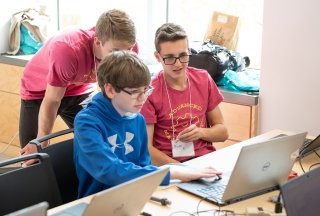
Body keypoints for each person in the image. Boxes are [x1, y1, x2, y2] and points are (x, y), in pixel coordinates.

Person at [74, 50, 221, 198]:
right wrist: (173, 171)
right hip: (98, 201)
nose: (143, 98)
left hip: (135, 194)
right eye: (135, 92)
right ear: (111, 90)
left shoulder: (137, 119)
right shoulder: (86, 122)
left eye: (146, 90)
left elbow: (144, 166)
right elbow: (108, 170)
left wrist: (183, 172)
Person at [19, 9, 138, 164]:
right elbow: (53, 99)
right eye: (115, 51)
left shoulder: (128, 48)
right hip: (40, 91)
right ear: (97, 41)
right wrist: (41, 140)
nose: (122, 57)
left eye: (128, 49)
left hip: (79, 89)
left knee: (102, 138)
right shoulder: (68, 49)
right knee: (33, 156)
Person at [140, 23, 229, 166]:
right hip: (171, 167)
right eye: (169, 58)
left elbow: (223, 133)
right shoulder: (150, 91)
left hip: (205, 162)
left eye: (183, 56)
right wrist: (186, 171)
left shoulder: (203, 79)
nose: (178, 64)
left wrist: (201, 132)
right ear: (157, 57)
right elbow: (147, 149)